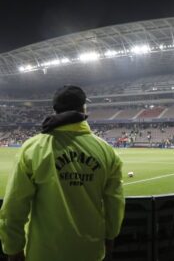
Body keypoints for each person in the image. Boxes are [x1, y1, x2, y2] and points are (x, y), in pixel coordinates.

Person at [0, 85, 125, 261]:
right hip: (90, 252)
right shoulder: (106, 151)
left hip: (43, 253)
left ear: (55, 109)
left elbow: (13, 207)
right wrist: (111, 236)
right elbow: (115, 203)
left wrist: (13, 248)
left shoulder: (32, 149)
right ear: (83, 108)